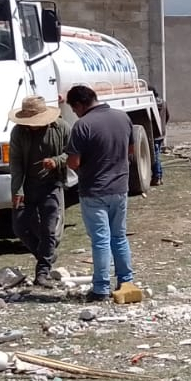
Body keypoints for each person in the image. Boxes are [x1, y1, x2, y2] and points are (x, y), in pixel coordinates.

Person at [65, 85, 136, 303]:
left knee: (101, 240)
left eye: (74, 109)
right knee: (119, 237)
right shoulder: (123, 118)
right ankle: (126, 281)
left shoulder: (82, 125)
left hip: (94, 190)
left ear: (79, 104)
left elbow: (73, 162)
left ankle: (101, 288)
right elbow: (130, 150)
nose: (75, 113)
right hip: (120, 188)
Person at [8, 95, 69, 287]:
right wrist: (17, 191)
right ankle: (47, 256)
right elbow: (16, 163)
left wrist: (56, 161)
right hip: (27, 187)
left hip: (52, 185)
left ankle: (42, 273)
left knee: (49, 229)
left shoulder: (61, 128)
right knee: (20, 227)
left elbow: (73, 153)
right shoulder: (18, 132)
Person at [149, 86, 170, 186]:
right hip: (161, 132)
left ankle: (157, 177)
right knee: (157, 155)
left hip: (154, 133)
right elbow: (167, 116)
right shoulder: (164, 102)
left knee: (155, 155)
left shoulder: (151, 104)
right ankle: (159, 177)